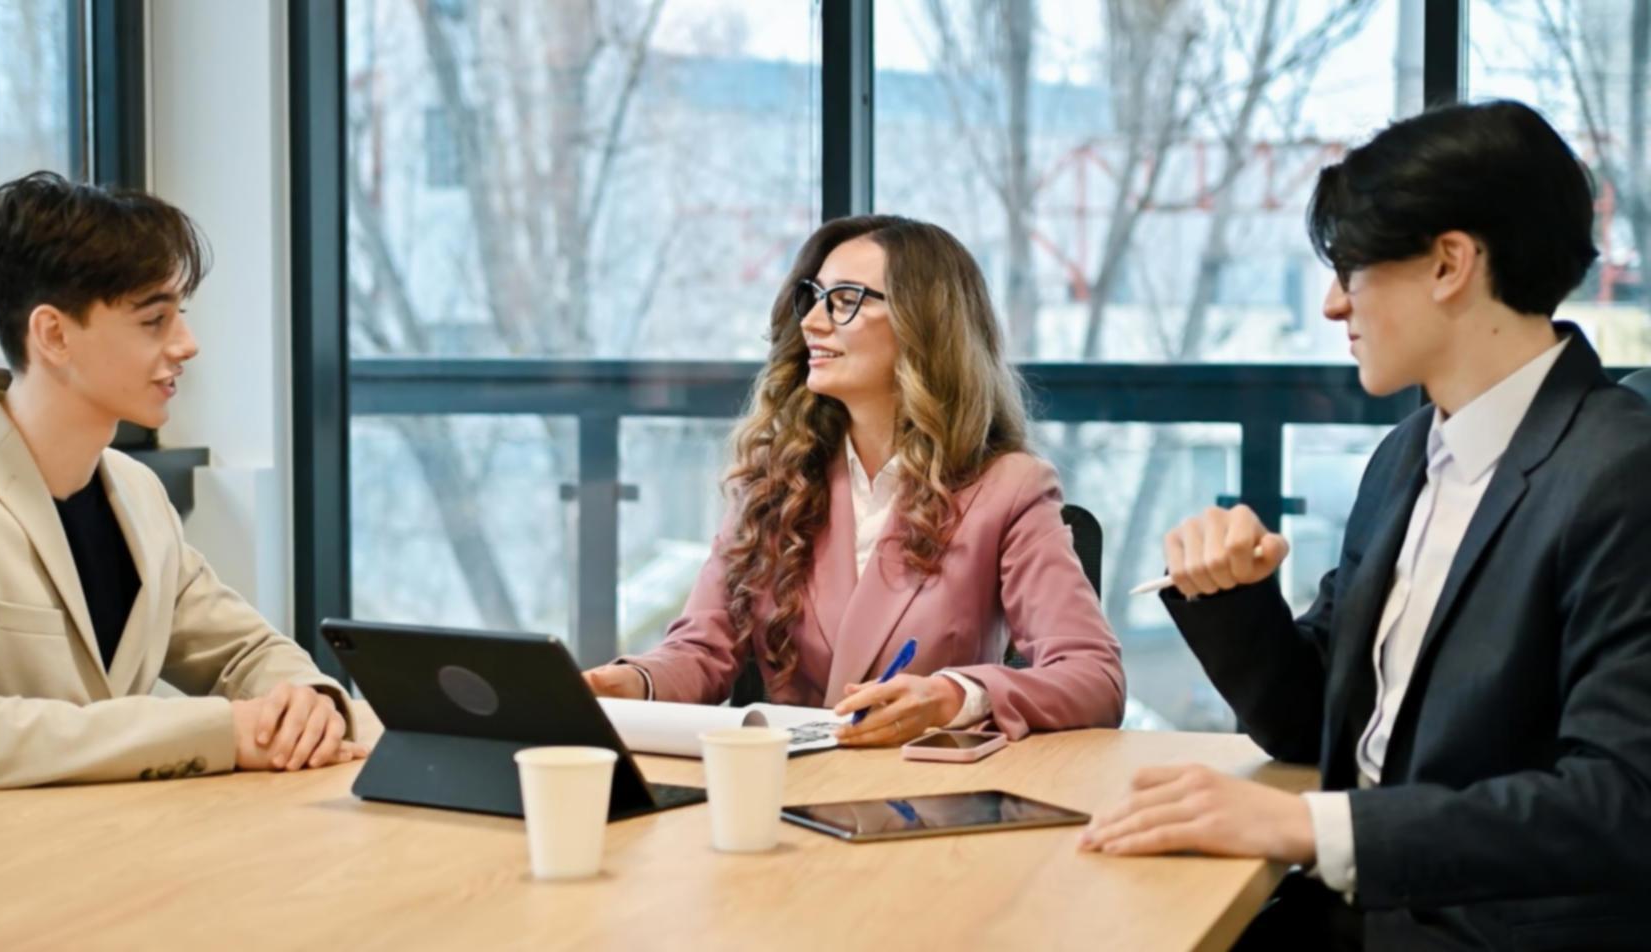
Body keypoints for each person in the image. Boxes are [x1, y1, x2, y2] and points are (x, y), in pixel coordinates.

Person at [1079, 101, 1651, 949]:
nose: (1330, 305)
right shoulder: (1406, 456)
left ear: (1450, 264)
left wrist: (1312, 829)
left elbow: (1620, 803)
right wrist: (1238, 599)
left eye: (1350, 269)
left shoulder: (1622, 472)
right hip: (1349, 908)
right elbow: (1317, 725)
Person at [584, 215, 1124, 745]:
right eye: (814, 298)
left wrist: (957, 696)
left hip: (929, 806)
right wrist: (634, 682)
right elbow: (702, 651)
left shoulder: (1008, 488)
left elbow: (1093, 677)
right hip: (790, 797)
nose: (812, 322)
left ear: (924, 324)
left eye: (844, 301)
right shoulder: (774, 482)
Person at [0, 172, 364, 801]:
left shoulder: (136, 491)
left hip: (117, 859)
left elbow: (242, 652)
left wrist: (309, 703)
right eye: (154, 320)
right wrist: (217, 732)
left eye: (179, 315)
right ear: (53, 334)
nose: (187, 344)